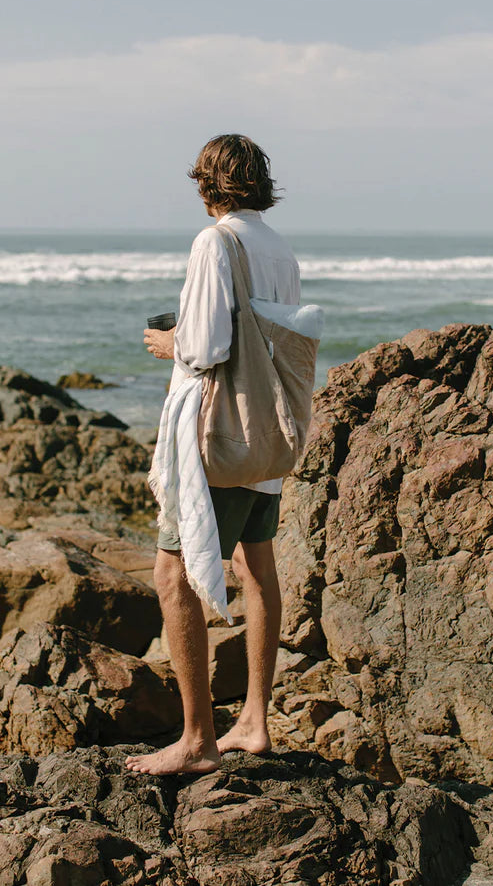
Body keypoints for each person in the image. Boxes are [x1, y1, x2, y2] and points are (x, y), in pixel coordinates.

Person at [125, 134, 301, 776]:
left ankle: (197, 739)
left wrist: (167, 341)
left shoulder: (215, 242)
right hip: (267, 432)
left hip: (219, 437)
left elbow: (205, 346)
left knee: (172, 576)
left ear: (208, 184)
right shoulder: (279, 248)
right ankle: (254, 720)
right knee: (258, 568)